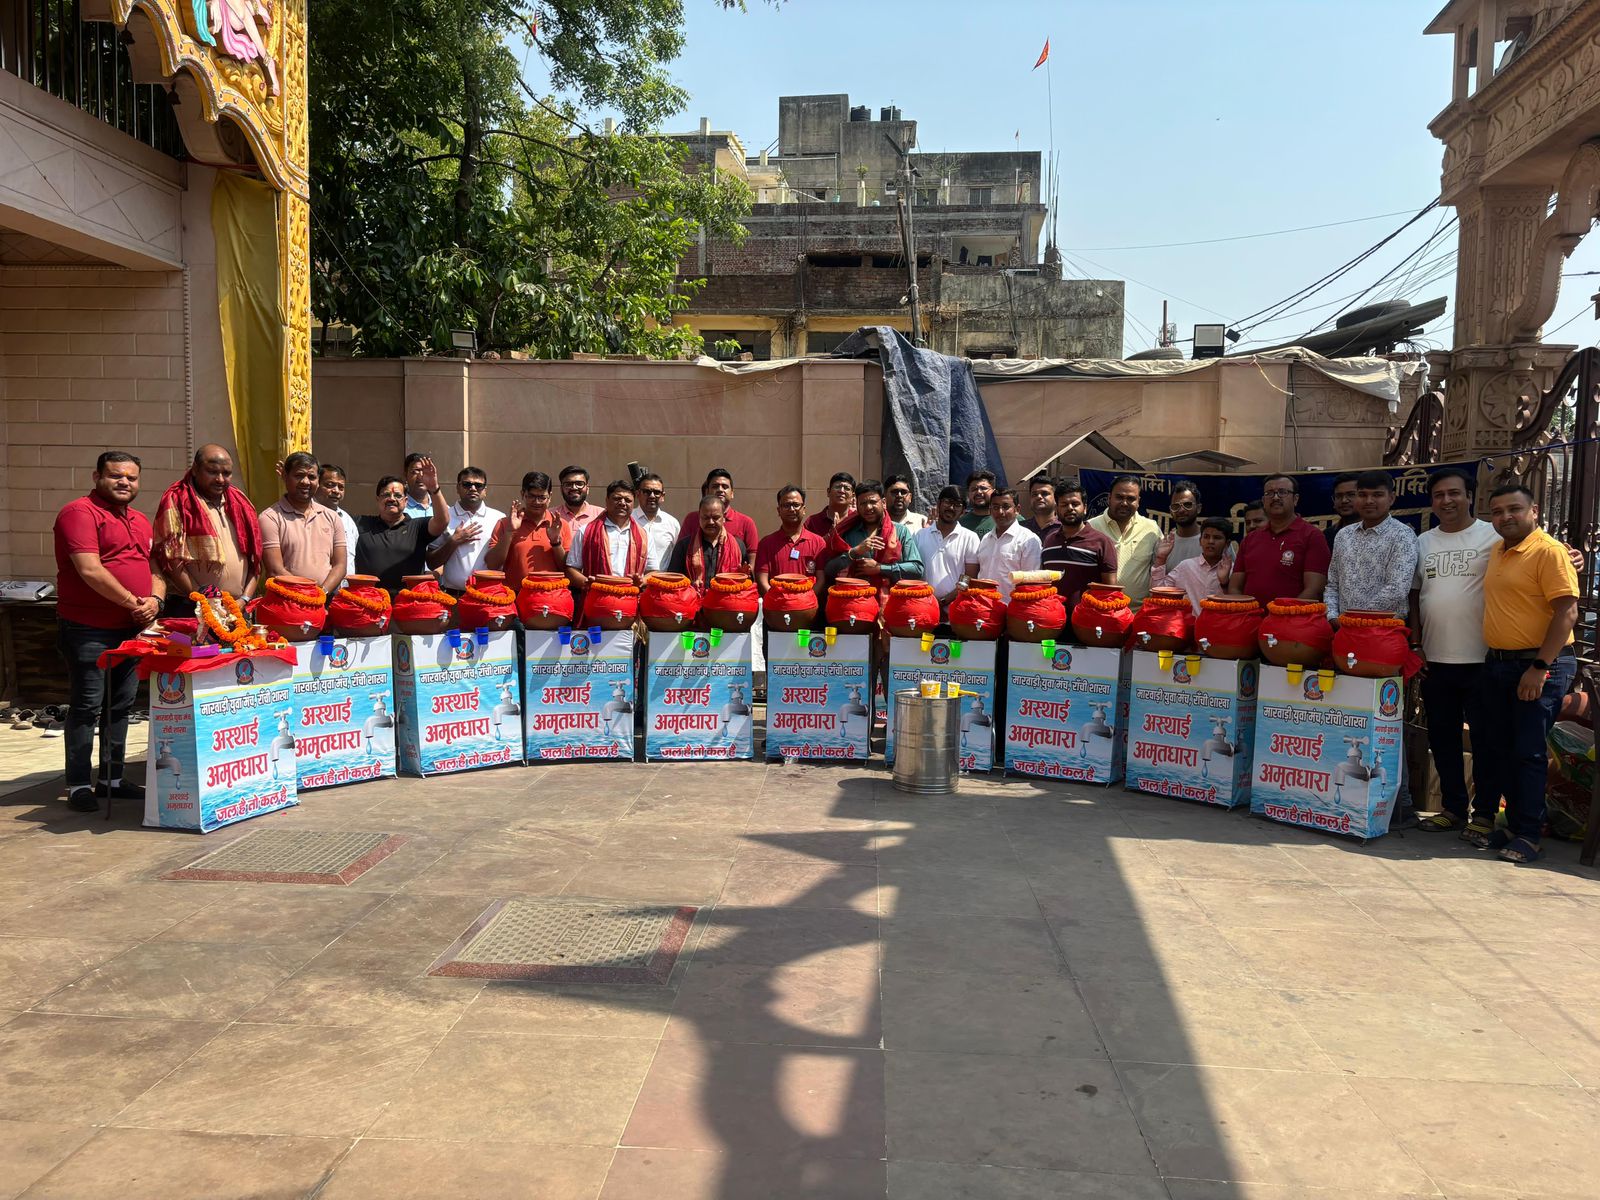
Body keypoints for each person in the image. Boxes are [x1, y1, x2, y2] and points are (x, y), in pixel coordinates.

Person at [53, 451, 163, 812]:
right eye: (116, 476)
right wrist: (134, 601)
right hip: (88, 629)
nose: (124, 482)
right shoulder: (79, 513)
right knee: (87, 707)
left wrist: (156, 601)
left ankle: (112, 779)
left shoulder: (139, 520)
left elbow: (155, 568)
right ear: (97, 476)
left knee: (120, 706)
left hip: (130, 630)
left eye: (131, 477)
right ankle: (78, 785)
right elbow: (90, 570)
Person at [1476, 483, 1580, 864]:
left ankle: (1530, 835)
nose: (1505, 517)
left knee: (1529, 751)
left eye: (1514, 509)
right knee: (1502, 748)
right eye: (1497, 511)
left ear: (1534, 511)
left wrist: (1539, 667)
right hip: (1500, 664)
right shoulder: (1498, 551)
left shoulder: (1549, 551)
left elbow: (1567, 612)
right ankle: (1516, 824)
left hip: (1538, 665)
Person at [1411, 468, 1500, 839]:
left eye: (1454, 493)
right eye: (1439, 495)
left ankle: (1485, 813)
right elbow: (1414, 595)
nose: (1446, 501)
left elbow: (1538, 554)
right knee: (1442, 738)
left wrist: (1572, 556)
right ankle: (1452, 809)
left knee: (1486, 741)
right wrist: (1416, 645)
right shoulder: (1422, 542)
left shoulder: (1494, 536)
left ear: (1470, 496)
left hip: (1483, 660)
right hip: (1435, 661)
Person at [152, 444, 262, 614]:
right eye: (212, 472)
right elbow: (171, 559)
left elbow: (255, 558)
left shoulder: (241, 503)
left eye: (226, 473)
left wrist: (244, 599)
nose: (220, 479)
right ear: (195, 470)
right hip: (192, 606)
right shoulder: (178, 500)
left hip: (238, 607)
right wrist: (204, 600)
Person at [1325, 470, 1417, 622]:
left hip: (1383, 629)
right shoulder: (1343, 535)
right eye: (1362, 495)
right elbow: (1333, 584)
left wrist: (1357, 620)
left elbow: (1397, 589)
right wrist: (1332, 617)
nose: (1369, 501)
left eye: (1377, 495)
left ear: (1391, 498)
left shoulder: (1402, 535)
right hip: (1344, 628)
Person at [1228, 474, 1330, 605]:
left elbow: (1314, 590)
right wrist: (1246, 611)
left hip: (1292, 616)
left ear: (1295, 499)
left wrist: (1282, 613)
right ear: (1263, 501)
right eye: (1269, 493)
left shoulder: (1312, 536)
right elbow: (1234, 587)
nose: (1275, 497)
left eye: (1282, 492)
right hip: (1250, 616)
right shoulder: (1249, 540)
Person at [354, 458, 450, 592]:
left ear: (406, 501)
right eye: (386, 494)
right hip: (369, 598)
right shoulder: (360, 524)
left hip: (408, 599)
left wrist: (434, 488)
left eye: (397, 495)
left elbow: (442, 521)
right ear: (377, 499)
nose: (392, 499)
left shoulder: (418, 527)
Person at [258, 451, 346, 594]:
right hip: (287, 600)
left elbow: (340, 565)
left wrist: (322, 593)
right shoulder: (270, 518)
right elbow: (275, 570)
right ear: (285, 476)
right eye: (299, 475)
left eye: (311, 477)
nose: (305, 482)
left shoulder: (332, 517)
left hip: (325, 599)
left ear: (318, 480)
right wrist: (307, 595)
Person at [821, 478, 924, 592]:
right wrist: (854, 552)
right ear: (857, 505)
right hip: (855, 598)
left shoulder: (900, 531)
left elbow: (917, 569)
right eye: (863, 503)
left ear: (883, 502)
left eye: (873, 502)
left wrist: (880, 568)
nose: (868, 507)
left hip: (892, 599)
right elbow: (829, 570)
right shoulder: (847, 531)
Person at [485, 471, 573, 591]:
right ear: (523, 494)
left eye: (542, 497)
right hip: (515, 595)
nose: (536, 502)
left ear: (550, 497)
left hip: (552, 595)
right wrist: (510, 532)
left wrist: (555, 543)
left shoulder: (560, 525)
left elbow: (567, 569)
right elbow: (492, 564)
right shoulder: (505, 524)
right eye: (531, 496)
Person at [1040, 479, 1118, 611]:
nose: (1070, 508)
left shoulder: (1102, 542)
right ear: (1057, 509)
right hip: (1052, 618)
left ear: (1085, 508)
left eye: (1075, 504)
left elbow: (1110, 591)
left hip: (1088, 619)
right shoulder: (1049, 541)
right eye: (1064, 504)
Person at [425, 466, 505, 593]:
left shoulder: (499, 518)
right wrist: (453, 541)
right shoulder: (444, 517)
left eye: (478, 485)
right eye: (467, 484)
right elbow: (431, 563)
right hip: (454, 595)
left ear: (485, 490)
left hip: (489, 594)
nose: (473, 488)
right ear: (458, 488)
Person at [1088, 475, 1162, 605]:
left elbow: (1159, 567)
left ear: (1138, 501)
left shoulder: (1151, 529)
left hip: (1139, 612)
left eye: (1131, 499)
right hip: (1101, 610)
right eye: (1119, 497)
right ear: (1109, 498)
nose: (1124, 503)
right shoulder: (1090, 527)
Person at [569, 480, 649, 588]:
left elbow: (653, 571)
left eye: (628, 500)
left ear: (633, 503)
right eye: (617, 498)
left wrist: (642, 581)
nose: (622, 503)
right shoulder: (586, 531)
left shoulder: (644, 535)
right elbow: (572, 568)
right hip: (597, 594)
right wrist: (587, 583)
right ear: (606, 500)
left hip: (631, 595)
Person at [966, 489, 1041, 601]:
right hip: (983, 605)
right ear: (990, 510)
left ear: (1017, 509)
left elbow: (1031, 583)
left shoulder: (1028, 540)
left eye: (1006, 507)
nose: (1000, 512)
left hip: (1012, 607)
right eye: (995, 507)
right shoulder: (986, 539)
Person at [913, 486, 980, 607]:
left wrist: (944, 601)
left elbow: (969, 577)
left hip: (957, 608)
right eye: (948, 502)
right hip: (923, 606)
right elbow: (914, 573)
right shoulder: (919, 535)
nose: (951, 508)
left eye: (957, 505)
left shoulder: (970, 538)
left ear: (963, 511)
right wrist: (928, 601)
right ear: (938, 504)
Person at [755, 486, 828, 591]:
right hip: (776, 600)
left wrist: (808, 599)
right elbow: (762, 580)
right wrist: (776, 599)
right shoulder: (766, 543)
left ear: (804, 509)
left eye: (796, 505)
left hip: (808, 600)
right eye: (786, 505)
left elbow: (821, 580)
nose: (792, 509)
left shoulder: (818, 542)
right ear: (779, 510)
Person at [676, 469, 758, 562]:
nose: (720, 490)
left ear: (732, 493)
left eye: (725, 487)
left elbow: (751, 562)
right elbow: (681, 553)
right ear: (707, 491)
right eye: (715, 486)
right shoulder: (692, 519)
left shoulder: (746, 523)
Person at [1153, 519, 1232, 613]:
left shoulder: (1233, 570)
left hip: (1220, 622)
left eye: (1217, 537)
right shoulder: (1186, 566)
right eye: (1206, 537)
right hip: (1189, 622)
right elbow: (1159, 594)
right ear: (1200, 541)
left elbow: (1237, 606)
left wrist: (1224, 583)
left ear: (1227, 543)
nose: (1211, 541)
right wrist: (1161, 558)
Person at [668, 495, 748, 587]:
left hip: (726, 595)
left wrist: (743, 576)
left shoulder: (738, 546)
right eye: (706, 517)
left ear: (723, 518)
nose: (710, 522)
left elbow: (747, 583)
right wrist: (690, 585)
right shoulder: (684, 545)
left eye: (715, 517)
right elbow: (673, 581)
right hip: (693, 595)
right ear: (699, 518)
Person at [1152, 480, 1206, 575]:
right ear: (1170, 511)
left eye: (1187, 505)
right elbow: (1156, 579)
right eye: (1175, 506)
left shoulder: (1213, 541)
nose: (1181, 510)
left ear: (1198, 508)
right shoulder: (1163, 546)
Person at [316, 463, 360, 577]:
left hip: (345, 586)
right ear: (317, 484)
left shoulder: (348, 521)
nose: (336, 491)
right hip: (317, 585)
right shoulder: (306, 515)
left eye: (341, 487)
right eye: (330, 485)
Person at [631, 472, 680, 571]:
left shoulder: (672, 523)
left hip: (662, 580)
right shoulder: (628, 519)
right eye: (647, 492)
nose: (652, 496)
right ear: (638, 494)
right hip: (633, 579)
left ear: (663, 496)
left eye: (657, 492)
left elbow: (678, 556)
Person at [804, 472, 855, 537]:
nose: (842, 491)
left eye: (847, 488)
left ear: (853, 496)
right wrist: (830, 535)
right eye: (838, 487)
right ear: (828, 492)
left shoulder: (857, 520)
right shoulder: (812, 522)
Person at [557, 465, 605, 532]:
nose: (574, 488)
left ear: (587, 489)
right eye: (568, 484)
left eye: (579, 484)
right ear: (561, 489)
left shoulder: (602, 515)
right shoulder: (551, 516)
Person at [1325, 473, 1360, 549]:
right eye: (1339, 496)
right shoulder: (1328, 535)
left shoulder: (1377, 532)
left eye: (1351, 494)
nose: (1344, 500)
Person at [960, 470, 997, 536]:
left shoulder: (1007, 519)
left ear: (993, 492)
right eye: (974, 489)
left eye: (983, 488)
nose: (979, 492)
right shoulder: (960, 524)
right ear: (968, 493)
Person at [402, 452, 433, 517]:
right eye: (415, 471)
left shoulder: (442, 508)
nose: (420, 476)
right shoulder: (400, 509)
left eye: (425, 472)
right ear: (405, 475)